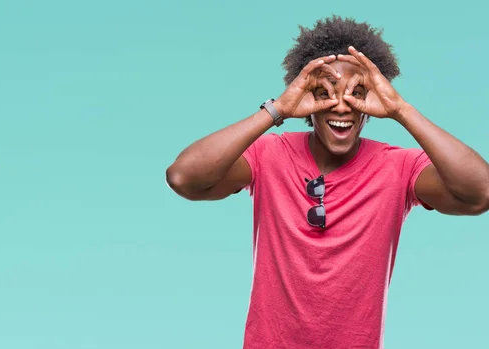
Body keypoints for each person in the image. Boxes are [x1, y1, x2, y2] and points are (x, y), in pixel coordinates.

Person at [165, 15, 489, 349]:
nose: (341, 105)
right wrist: (277, 110)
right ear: (307, 97)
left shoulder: (399, 166)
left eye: (356, 93)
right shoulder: (268, 155)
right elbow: (183, 177)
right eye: (325, 92)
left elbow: (480, 193)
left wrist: (400, 110)